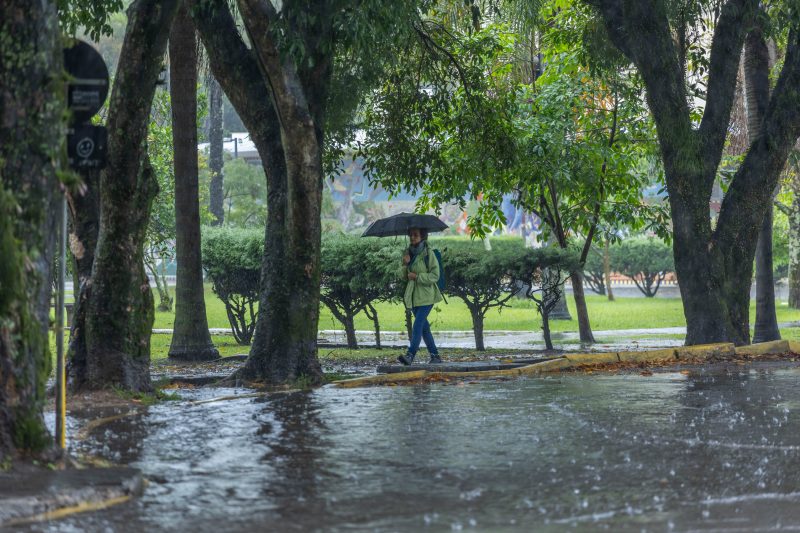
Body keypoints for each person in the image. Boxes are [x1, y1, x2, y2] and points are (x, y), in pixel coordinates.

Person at [397, 227, 442, 365]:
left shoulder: (428, 253)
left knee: (417, 325)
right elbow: (402, 276)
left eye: (415, 235)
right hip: (413, 296)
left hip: (427, 296)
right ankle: (435, 356)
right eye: (410, 235)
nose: (412, 237)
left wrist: (418, 277)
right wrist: (405, 265)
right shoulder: (407, 253)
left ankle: (410, 355)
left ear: (422, 236)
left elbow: (435, 276)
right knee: (424, 328)